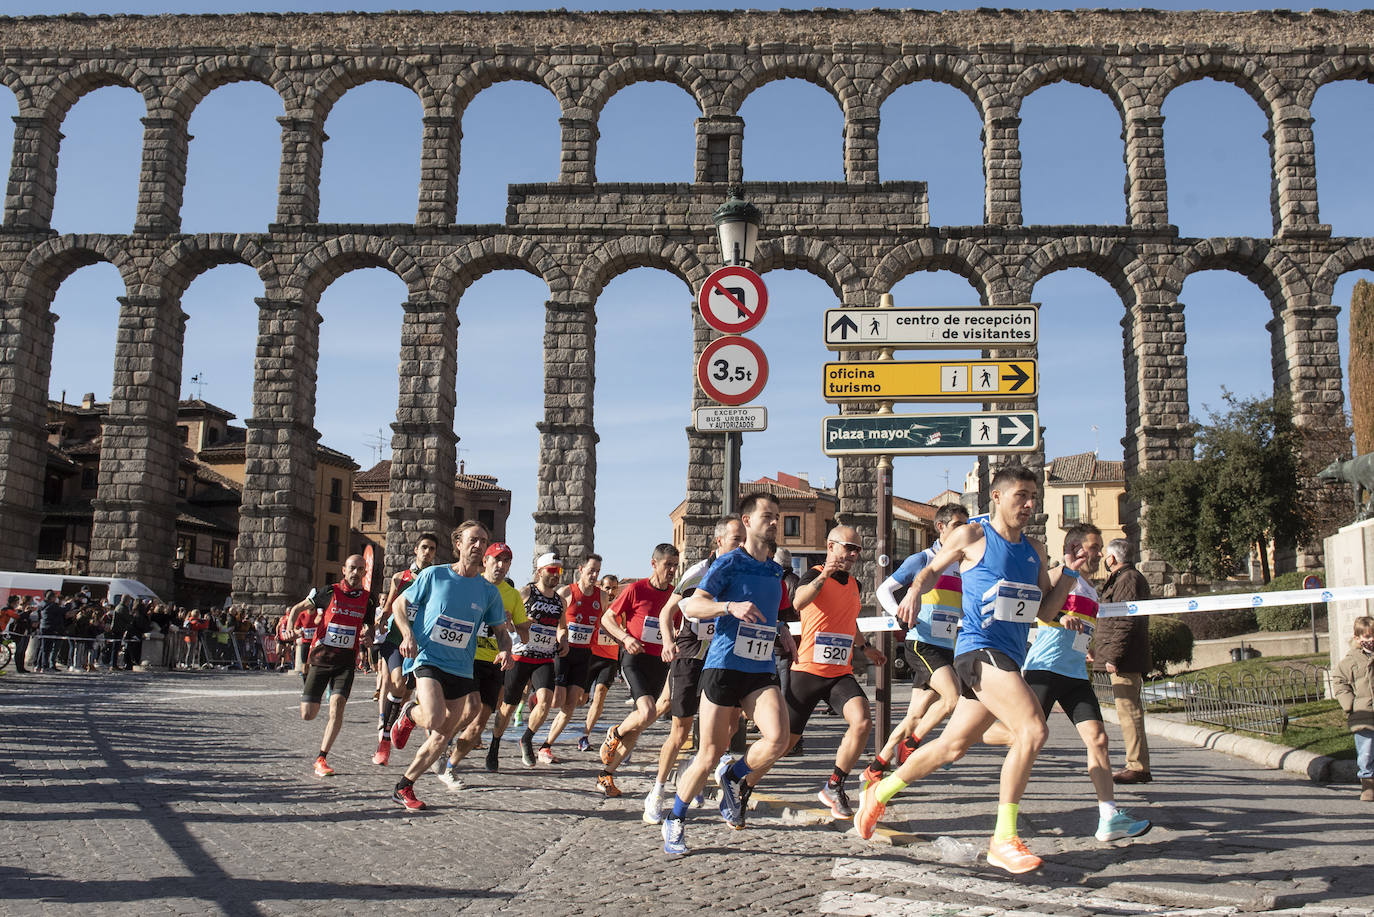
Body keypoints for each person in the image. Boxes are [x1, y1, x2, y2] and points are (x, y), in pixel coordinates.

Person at [855, 464, 1092, 875]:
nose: (1030, 504)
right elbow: (930, 568)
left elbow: (1043, 611)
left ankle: (880, 792)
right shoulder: (974, 536)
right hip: (977, 652)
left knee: (952, 746)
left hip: (1007, 658)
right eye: (1021, 495)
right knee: (1033, 730)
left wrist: (1068, 573)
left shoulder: (1035, 549)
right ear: (997, 497)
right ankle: (1003, 838)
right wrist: (912, 593)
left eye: (1034, 496)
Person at [982, 523, 1151, 843]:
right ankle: (974, 734)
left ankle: (1109, 817)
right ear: (1074, 547)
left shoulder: (1089, 585)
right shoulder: (1060, 575)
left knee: (1098, 740)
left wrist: (1085, 647)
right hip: (1044, 670)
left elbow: (1079, 627)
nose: (1101, 553)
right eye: (1094, 546)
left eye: (1101, 547)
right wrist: (1060, 619)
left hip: (1074, 675)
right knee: (1022, 738)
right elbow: (1037, 610)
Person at [661, 492, 794, 855]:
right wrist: (728, 606)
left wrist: (781, 629)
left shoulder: (774, 570)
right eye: (767, 516)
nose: (774, 522)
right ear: (748, 522)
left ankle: (733, 776)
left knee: (779, 739)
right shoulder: (727, 564)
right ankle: (675, 819)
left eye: (777, 517)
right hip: (723, 666)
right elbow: (694, 605)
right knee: (708, 754)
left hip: (760, 667)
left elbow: (772, 612)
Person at [386, 521, 508, 810]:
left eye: (483, 541)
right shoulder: (434, 575)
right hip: (428, 658)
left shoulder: (488, 592)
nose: (478, 545)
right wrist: (406, 633)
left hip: (462, 668)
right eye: (473, 540)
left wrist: (506, 652)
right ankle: (410, 713)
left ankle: (404, 786)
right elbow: (399, 606)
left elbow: (501, 631)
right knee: (435, 717)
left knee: (442, 736)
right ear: (458, 543)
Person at [643, 515, 745, 824]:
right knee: (681, 730)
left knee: (728, 727)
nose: (741, 545)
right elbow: (666, 611)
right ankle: (657, 791)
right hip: (690, 655)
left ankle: (692, 769)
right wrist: (668, 642)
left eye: (744, 539)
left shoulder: (744, 574)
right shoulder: (699, 572)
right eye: (735, 540)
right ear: (719, 542)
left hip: (723, 658)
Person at [782, 525, 886, 819]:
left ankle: (834, 784)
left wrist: (866, 648)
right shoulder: (813, 573)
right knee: (782, 744)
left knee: (862, 721)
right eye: (847, 548)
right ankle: (740, 775)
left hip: (839, 671)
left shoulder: (855, 585)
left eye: (857, 550)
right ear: (831, 546)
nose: (853, 554)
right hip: (808, 670)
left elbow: (849, 621)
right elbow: (798, 602)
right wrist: (825, 574)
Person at [863, 503, 969, 789]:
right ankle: (912, 744)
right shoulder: (923, 559)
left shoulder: (963, 564)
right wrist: (901, 616)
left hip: (947, 644)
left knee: (914, 716)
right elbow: (883, 590)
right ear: (941, 527)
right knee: (953, 697)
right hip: (922, 644)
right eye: (958, 525)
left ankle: (876, 767)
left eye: (966, 525)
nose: (964, 531)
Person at [435, 542, 529, 787]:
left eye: (506, 561)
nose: (501, 565)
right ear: (485, 560)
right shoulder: (470, 584)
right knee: (469, 709)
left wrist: (510, 629)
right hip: (467, 659)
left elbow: (525, 635)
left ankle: (450, 765)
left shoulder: (512, 595)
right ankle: (442, 740)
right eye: (497, 559)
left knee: (479, 724)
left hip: (494, 663)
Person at [597, 544, 680, 798]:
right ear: (654, 564)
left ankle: (606, 774)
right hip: (634, 658)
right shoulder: (635, 589)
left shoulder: (675, 596)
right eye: (668, 565)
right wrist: (624, 637)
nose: (673, 571)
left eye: (675, 566)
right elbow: (607, 619)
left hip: (659, 663)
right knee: (646, 712)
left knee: (640, 724)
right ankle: (615, 732)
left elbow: (675, 628)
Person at [289, 555, 372, 778]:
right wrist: (289, 627)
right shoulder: (328, 592)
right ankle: (313, 691)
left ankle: (322, 757)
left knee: (337, 707)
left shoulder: (367, 599)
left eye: (360, 569)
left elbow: (370, 629)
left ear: (365, 573)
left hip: (345, 663)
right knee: (308, 714)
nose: (356, 572)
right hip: (321, 659)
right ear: (344, 570)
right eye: (352, 568)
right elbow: (297, 608)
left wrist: (368, 639)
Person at [488, 553, 567, 770]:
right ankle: (495, 743)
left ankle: (527, 738)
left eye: (558, 571)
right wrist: (511, 623)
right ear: (540, 571)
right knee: (509, 705)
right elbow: (509, 618)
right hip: (521, 655)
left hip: (545, 657)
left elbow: (562, 627)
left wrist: (564, 639)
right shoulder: (525, 592)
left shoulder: (560, 601)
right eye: (552, 570)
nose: (556, 575)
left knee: (545, 702)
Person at [372, 533, 439, 766]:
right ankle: (384, 741)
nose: (427, 552)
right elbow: (390, 606)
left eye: (431, 548)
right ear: (415, 550)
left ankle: (402, 717)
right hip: (395, 638)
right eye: (424, 547)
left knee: (407, 691)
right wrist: (380, 621)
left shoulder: (436, 579)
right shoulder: (400, 578)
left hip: (419, 642)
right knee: (398, 682)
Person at [1095, 538, 1154, 785]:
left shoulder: (1127, 579)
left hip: (1125, 658)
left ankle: (1138, 766)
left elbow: (1124, 620)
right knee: (1127, 710)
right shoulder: (1126, 578)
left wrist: (1113, 656)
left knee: (1129, 711)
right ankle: (1137, 763)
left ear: (1112, 559)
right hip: (1123, 655)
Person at [541, 555, 605, 762]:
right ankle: (537, 697)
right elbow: (551, 619)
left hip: (584, 654)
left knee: (571, 705)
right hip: (564, 652)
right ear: (581, 569)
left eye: (598, 571)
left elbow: (604, 622)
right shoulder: (566, 592)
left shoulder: (601, 597)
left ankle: (546, 746)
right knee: (556, 701)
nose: (594, 575)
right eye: (591, 570)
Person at [1332, 615, 1374, 802]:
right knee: (1366, 751)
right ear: (1358, 639)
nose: (1370, 640)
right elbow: (1339, 682)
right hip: (1363, 713)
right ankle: (1368, 783)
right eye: (1366, 637)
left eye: (1373, 636)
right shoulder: (1350, 661)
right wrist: (1349, 704)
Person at [581, 574, 623, 751]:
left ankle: (584, 736)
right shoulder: (596, 604)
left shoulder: (622, 606)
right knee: (579, 699)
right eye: (607, 588)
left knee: (600, 694)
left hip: (610, 658)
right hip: (591, 655)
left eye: (614, 588)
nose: (611, 592)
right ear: (601, 587)